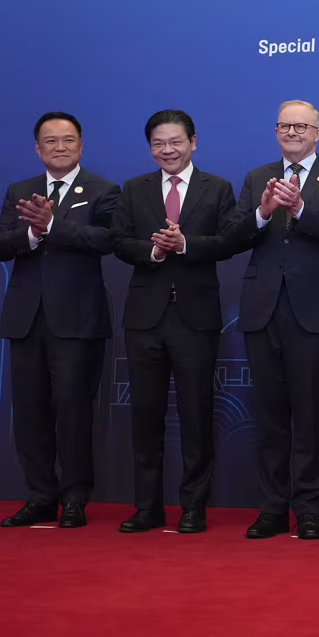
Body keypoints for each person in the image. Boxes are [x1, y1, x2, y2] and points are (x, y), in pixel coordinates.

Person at [229, 100, 319, 540]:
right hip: (264, 309)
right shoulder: (254, 178)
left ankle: (307, 508)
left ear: (318, 133)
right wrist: (264, 212)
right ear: (276, 131)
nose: (293, 132)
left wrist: (301, 210)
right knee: (269, 416)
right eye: (285, 125)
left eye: (301, 126)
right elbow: (232, 237)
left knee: (308, 415)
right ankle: (270, 508)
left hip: (315, 312)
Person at [0, 111, 121, 529]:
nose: (59, 147)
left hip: (77, 321)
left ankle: (75, 499)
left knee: (74, 412)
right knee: (30, 413)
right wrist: (31, 234)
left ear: (81, 146)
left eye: (67, 140)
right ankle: (40, 496)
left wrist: (53, 226)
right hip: (27, 320)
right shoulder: (20, 191)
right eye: (50, 141)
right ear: (37, 148)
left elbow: (106, 240)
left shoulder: (103, 190)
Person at [111, 109, 238, 534]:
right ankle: (146, 507)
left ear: (193, 142)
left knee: (196, 414)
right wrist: (153, 252)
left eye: (176, 142)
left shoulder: (217, 188)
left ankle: (192, 507)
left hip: (195, 318)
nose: (168, 150)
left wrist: (185, 245)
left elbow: (228, 242)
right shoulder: (134, 189)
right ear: (150, 147)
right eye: (158, 144)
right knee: (145, 415)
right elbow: (119, 241)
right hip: (144, 318)